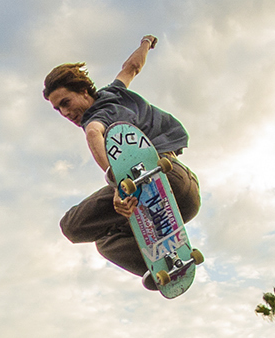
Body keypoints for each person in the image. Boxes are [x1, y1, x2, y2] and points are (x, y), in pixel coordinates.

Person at [45, 40, 201, 286]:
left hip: (161, 175)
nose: (65, 113)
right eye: (57, 110)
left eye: (66, 103)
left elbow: (94, 133)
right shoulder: (115, 91)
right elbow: (131, 68)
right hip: (188, 193)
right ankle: (167, 265)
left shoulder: (95, 118)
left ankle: (153, 262)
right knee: (106, 242)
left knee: (72, 226)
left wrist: (120, 185)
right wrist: (146, 43)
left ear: (84, 92)